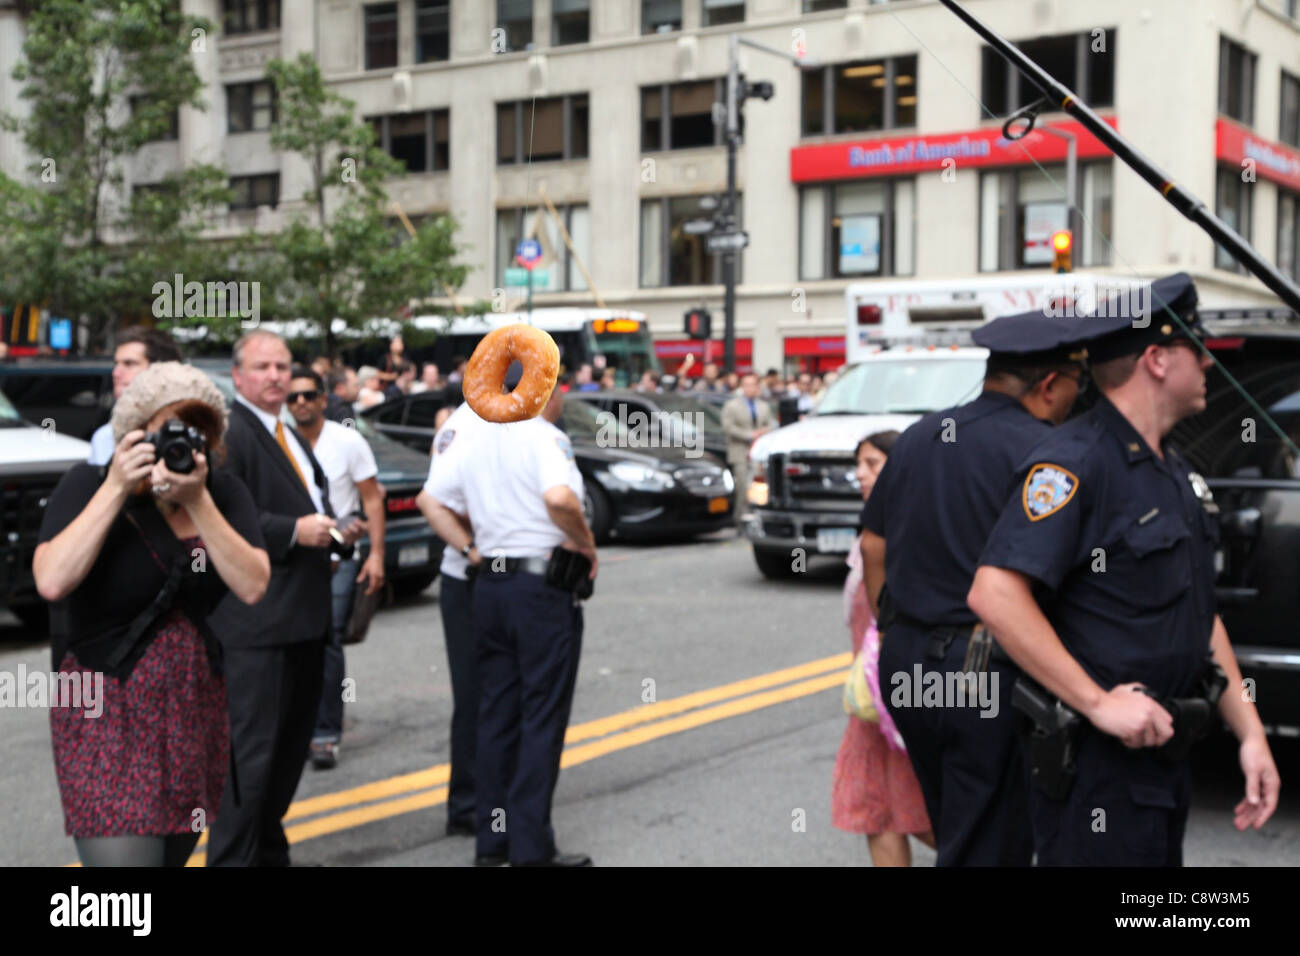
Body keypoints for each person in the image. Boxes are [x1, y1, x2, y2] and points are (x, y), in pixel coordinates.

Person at [968, 274, 1281, 866]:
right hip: (1097, 773)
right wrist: (1097, 702)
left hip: (1163, 757)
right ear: (1158, 360)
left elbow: (1199, 614)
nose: (1211, 363)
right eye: (1199, 348)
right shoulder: (1074, 462)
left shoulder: (1174, 470)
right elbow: (995, 593)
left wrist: (1252, 733)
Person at [861, 307, 1112, 866]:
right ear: (1050, 384)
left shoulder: (922, 434)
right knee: (992, 842)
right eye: (1074, 383)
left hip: (907, 664)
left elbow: (871, 547)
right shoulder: (1051, 452)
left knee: (954, 818)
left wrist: (888, 623)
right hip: (986, 669)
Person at [33, 362, 270, 867]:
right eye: (168, 430)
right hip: (104, 712)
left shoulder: (222, 494)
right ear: (134, 434)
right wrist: (118, 487)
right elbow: (52, 579)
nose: (183, 443)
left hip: (192, 709)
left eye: (198, 431)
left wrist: (199, 502)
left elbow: (252, 585)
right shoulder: (86, 484)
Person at [423, 370, 597, 867]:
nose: (562, 395)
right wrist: (586, 542)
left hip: (490, 585)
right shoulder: (545, 437)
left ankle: (492, 842)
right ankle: (530, 848)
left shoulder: (476, 440)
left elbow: (431, 500)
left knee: (496, 715)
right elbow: (560, 499)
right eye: (558, 385)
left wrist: (471, 550)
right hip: (538, 590)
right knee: (540, 717)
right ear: (542, 391)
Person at [205, 330, 364, 867]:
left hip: (303, 620)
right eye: (264, 367)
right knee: (250, 766)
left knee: (284, 762)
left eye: (283, 365)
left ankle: (268, 857)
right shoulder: (230, 430)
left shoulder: (287, 430)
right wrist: (297, 531)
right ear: (238, 375)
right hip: (259, 625)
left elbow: (308, 498)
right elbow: (222, 515)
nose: (276, 375)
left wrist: (336, 531)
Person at [832, 430, 934, 866]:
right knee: (879, 811)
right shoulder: (876, 526)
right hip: (874, 698)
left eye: (873, 464)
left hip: (898, 690)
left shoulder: (907, 528)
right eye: (858, 464)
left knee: (913, 807)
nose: (860, 474)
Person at [287, 367, 386, 770]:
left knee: (327, 640)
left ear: (324, 399)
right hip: (293, 555)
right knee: (296, 641)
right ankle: (298, 723)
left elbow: (373, 500)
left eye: (309, 395)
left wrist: (376, 553)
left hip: (339, 557)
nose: (301, 403)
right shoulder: (280, 442)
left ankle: (325, 732)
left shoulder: (348, 441)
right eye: (293, 397)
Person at [415, 399, 491, 836]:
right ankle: (467, 806)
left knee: (502, 694)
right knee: (476, 697)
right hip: (470, 579)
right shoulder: (466, 423)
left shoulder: (511, 420)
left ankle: (491, 797)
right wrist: (471, 548)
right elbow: (433, 499)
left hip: (502, 578)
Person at [88, 327, 182, 465]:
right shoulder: (104, 438)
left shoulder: (191, 430)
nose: (116, 373)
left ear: (161, 369)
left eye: (129, 363)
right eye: (116, 364)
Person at [721, 372, 774, 522]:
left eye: (753, 385)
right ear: (742, 387)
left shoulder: (763, 406)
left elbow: (770, 424)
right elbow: (728, 427)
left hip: (758, 453)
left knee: (758, 489)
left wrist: (764, 431)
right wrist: (749, 434)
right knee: (743, 488)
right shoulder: (732, 405)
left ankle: (756, 518)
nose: (750, 388)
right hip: (740, 451)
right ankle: (740, 520)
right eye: (747, 385)